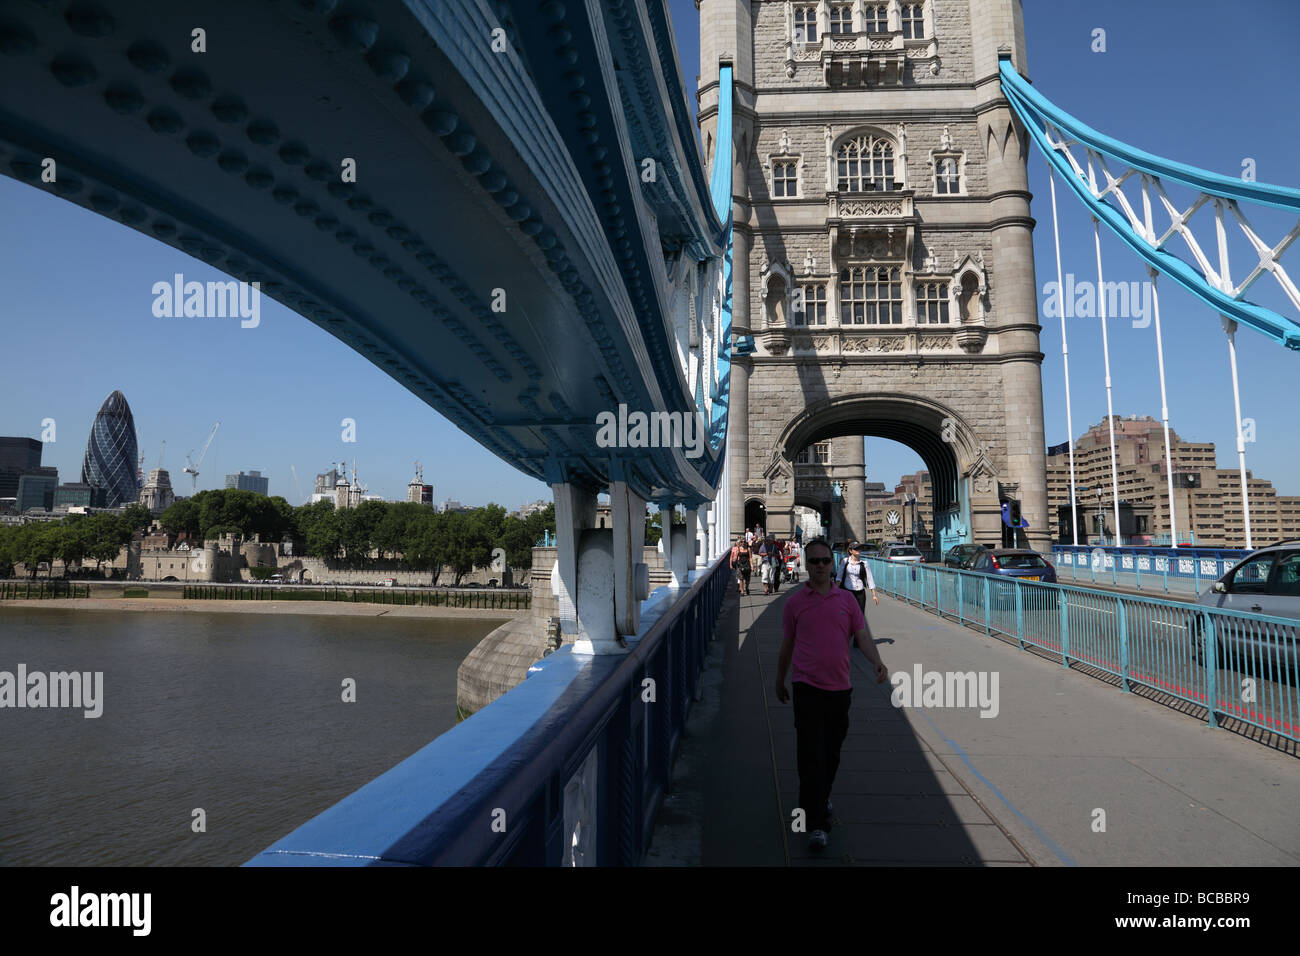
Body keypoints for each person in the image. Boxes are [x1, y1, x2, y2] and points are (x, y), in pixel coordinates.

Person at [775, 537, 888, 851]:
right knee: (810, 754)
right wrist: (779, 680)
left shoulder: (847, 601)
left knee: (831, 753)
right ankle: (816, 824)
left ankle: (820, 798)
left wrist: (877, 662)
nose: (821, 566)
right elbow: (787, 645)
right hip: (806, 687)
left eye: (825, 561)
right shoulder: (795, 603)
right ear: (806, 564)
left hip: (840, 689)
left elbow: (862, 635)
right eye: (815, 561)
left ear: (831, 563)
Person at [835, 541, 878, 616]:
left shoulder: (864, 563)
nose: (858, 550)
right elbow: (839, 577)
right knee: (848, 614)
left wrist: (874, 595)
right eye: (856, 549)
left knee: (860, 615)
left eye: (859, 548)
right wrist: (834, 593)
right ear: (851, 551)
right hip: (848, 591)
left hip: (860, 593)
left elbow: (869, 579)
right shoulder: (845, 561)